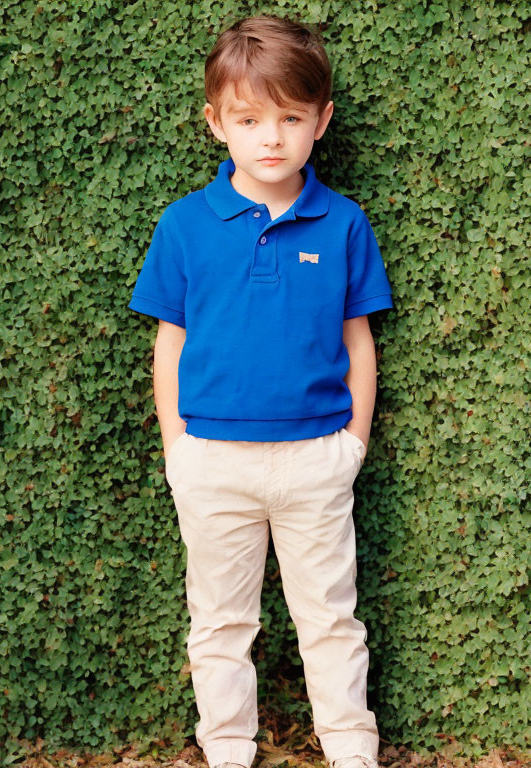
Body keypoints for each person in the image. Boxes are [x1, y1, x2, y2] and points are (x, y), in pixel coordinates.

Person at [128, 13, 394, 768]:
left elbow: (357, 341)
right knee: (219, 623)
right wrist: (179, 451)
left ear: (322, 121)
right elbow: (169, 345)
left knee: (331, 619)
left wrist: (352, 445)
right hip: (213, 462)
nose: (270, 138)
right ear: (217, 124)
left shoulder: (343, 224)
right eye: (249, 119)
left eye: (290, 118)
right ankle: (228, 750)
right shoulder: (184, 226)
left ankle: (350, 747)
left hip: (315, 458)